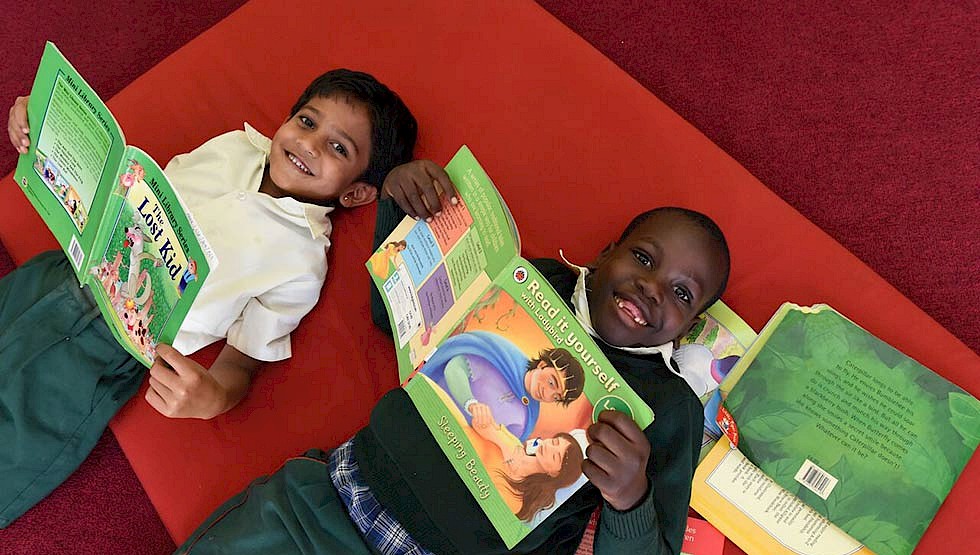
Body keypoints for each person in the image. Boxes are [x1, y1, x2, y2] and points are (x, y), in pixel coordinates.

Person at [176, 159, 731, 555]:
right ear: (606, 253)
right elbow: (391, 316)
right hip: (330, 503)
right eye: (643, 257)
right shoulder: (533, 279)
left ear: (691, 326)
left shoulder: (668, 406)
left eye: (683, 293)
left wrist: (629, 498)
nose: (653, 287)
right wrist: (400, 201)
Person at [0, 69, 417, 528]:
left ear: (356, 192)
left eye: (339, 148)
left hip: (105, 353)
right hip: (62, 269)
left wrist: (211, 397)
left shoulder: (303, 260)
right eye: (306, 121)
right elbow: (128, 190)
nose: (310, 144)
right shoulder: (234, 146)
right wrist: (45, 129)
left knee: (15, 449)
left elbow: (243, 363)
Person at [423, 332, 586, 440]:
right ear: (542, 365)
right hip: (426, 409)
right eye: (552, 382)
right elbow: (454, 368)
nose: (547, 393)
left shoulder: (527, 418)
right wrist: (470, 403)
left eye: (556, 396)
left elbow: (499, 448)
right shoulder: (503, 357)